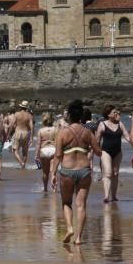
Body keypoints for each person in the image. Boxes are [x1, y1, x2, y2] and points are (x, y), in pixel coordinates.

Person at [51, 99, 101, 245]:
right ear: (80, 116)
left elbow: (58, 155)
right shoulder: (88, 132)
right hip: (84, 170)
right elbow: (98, 152)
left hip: (67, 171)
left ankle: (70, 228)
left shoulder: (62, 133)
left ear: (69, 116)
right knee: (81, 205)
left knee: (66, 202)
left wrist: (53, 173)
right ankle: (78, 238)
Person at [95, 105, 127, 204]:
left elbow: (128, 136)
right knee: (108, 173)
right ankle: (106, 196)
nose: (116, 113)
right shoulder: (102, 124)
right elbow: (97, 140)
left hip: (118, 152)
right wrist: (96, 151)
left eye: (117, 112)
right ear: (108, 114)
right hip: (106, 151)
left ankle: (114, 196)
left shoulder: (120, 124)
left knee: (115, 174)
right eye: (114, 112)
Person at [34, 113, 58, 193]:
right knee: (53, 171)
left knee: (45, 172)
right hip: (53, 149)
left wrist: (36, 155)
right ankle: (54, 188)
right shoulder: (56, 129)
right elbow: (58, 142)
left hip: (44, 150)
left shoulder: (41, 130)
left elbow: (38, 144)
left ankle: (45, 188)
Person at [11, 100, 33, 170]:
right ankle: (23, 166)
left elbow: (12, 125)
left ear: (21, 107)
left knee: (15, 150)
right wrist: (31, 137)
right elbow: (32, 127)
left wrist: (10, 134)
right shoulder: (29, 115)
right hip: (26, 133)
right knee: (25, 152)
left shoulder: (17, 114)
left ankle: (21, 163)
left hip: (18, 132)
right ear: (26, 107)